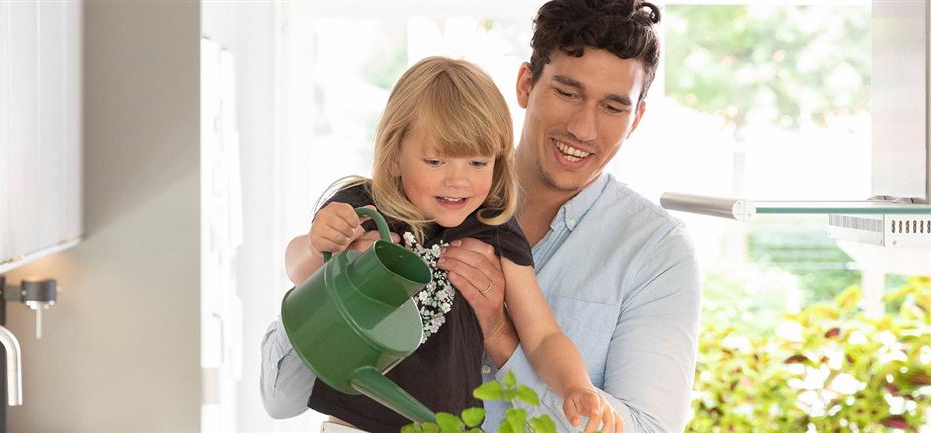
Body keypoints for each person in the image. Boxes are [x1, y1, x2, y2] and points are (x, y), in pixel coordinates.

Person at [264, 0, 700, 432]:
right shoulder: (368, 208)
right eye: (568, 92)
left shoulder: (644, 250)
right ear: (526, 85)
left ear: (638, 116)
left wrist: (560, 375)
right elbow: (281, 386)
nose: (584, 129)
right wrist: (331, 259)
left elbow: (547, 339)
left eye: (613, 106)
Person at [277, 55, 612, 433]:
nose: (458, 181)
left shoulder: (494, 231)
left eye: (477, 163)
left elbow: (544, 335)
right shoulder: (363, 210)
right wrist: (316, 243)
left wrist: (576, 385)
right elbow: (298, 270)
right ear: (394, 158)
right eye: (436, 161)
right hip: (354, 424)